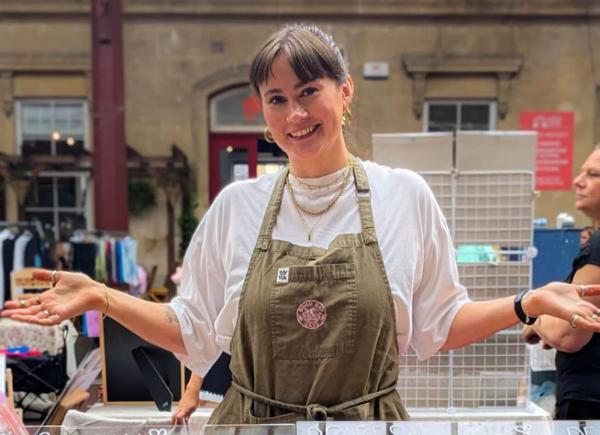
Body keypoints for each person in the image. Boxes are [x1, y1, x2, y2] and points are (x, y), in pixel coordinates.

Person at [4, 24, 600, 424]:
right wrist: (104, 296)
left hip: (365, 428)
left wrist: (527, 301)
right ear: (263, 112)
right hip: (250, 426)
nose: (294, 113)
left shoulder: (404, 197)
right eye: (276, 98)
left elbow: (438, 324)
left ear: (344, 94)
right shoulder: (236, 207)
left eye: (308, 91)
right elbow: (191, 330)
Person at [523, 148, 600, 419]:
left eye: (593, 174)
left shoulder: (598, 248)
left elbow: (571, 334)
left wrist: (536, 315)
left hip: (588, 405)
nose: (578, 181)